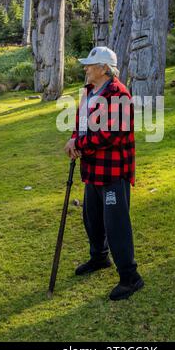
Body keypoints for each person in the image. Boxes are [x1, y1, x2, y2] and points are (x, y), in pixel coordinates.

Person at [64, 46, 144, 301]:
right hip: (93, 169)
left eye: (90, 64)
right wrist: (75, 138)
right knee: (92, 217)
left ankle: (131, 278)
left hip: (112, 171)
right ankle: (99, 258)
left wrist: (80, 145)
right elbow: (82, 123)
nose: (85, 68)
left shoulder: (118, 94)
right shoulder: (90, 91)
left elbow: (111, 134)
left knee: (116, 223)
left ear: (104, 69)